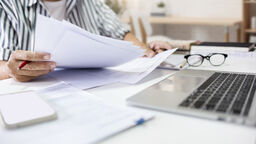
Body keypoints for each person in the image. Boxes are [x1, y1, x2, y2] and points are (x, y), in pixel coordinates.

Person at [0, 0, 172, 82]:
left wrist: (145, 52)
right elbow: (3, 63)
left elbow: (122, 33)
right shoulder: (8, 4)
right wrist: (10, 68)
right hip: (36, 97)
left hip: (99, 89)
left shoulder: (90, 2)